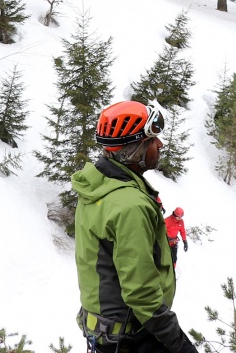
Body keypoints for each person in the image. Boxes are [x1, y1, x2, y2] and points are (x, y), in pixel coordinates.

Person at [73, 101, 197, 353]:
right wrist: (180, 344)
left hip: (105, 330)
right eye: (152, 140)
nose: (159, 145)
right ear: (134, 149)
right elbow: (141, 293)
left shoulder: (99, 184)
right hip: (132, 336)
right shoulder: (130, 205)